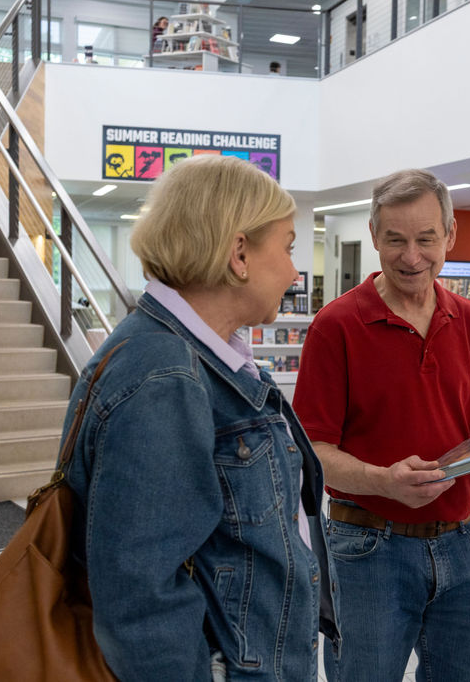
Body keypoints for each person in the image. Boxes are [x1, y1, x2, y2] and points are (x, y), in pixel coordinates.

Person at [62, 154, 339, 680]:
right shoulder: (165, 376)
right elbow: (141, 604)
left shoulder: (198, 355)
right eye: (286, 247)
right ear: (239, 254)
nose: (293, 271)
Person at [293, 168, 470, 681]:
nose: (411, 257)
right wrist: (383, 482)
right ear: (374, 235)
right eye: (395, 240)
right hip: (368, 552)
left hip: (466, 545)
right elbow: (310, 451)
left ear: (450, 235)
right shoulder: (336, 327)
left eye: (426, 239)